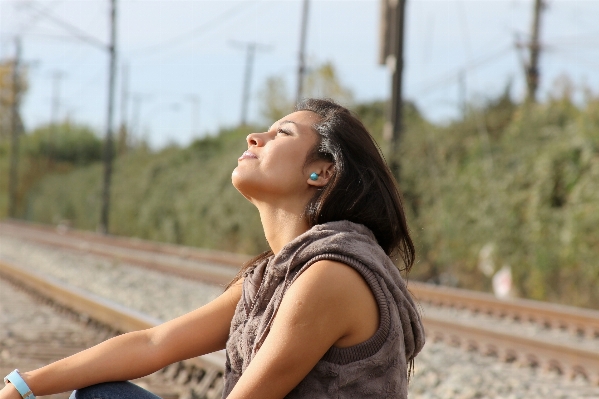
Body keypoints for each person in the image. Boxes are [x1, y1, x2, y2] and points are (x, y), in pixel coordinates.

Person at [1, 98, 425, 399]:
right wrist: (26, 385)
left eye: (282, 133)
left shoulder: (331, 276)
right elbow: (154, 344)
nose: (254, 136)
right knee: (101, 395)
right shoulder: (275, 276)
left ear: (321, 171)